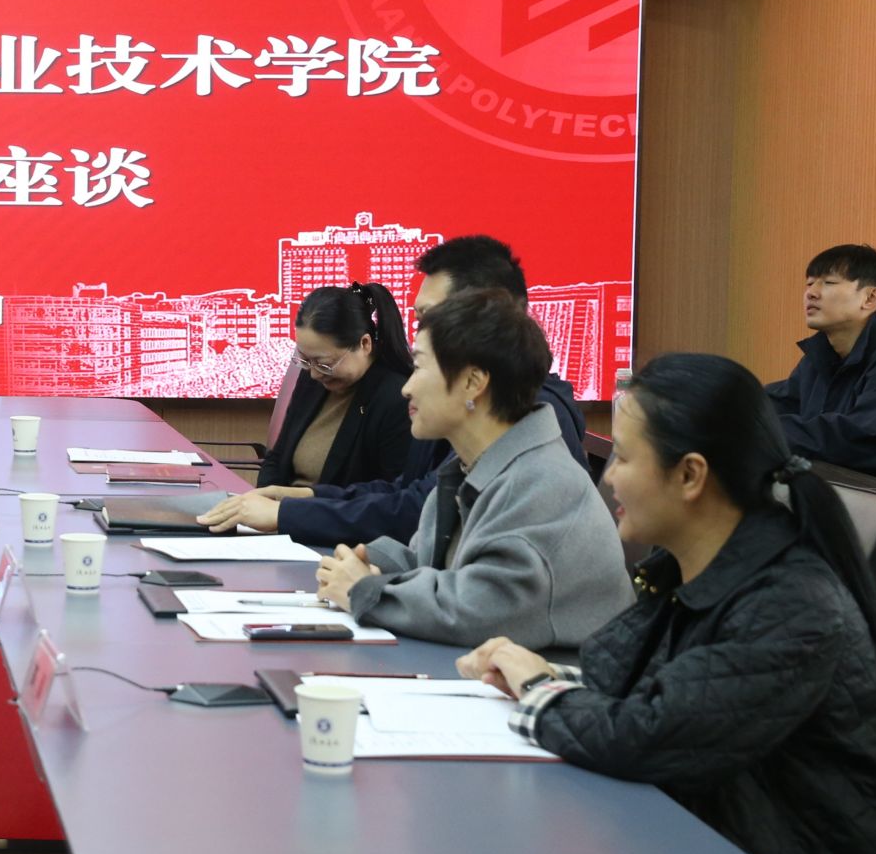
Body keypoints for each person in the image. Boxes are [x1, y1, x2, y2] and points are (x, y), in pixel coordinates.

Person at [460, 354, 876, 854]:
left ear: (690, 475)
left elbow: (648, 734)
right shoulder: (693, 569)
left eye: (625, 458)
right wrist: (550, 681)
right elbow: (647, 693)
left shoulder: (792, 604)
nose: (609, 477)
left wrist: (538, 687)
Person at [204, 236, 585, 544]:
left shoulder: (524, 415)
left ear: (488, 315)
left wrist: (291, 515)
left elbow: (421, 516)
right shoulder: (465, 401)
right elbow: (407, 492)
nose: (408, 388)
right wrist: (304, 497)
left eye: (431, 318)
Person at [315, 287, 632, 647]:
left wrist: (365, 589)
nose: (407, 388)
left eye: (419, 367)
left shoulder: (543, 482)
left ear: (472, 383)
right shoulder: (476, 464)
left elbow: (478, 610)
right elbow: (428, 561)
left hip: (544, 674)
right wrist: (364, 561)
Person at [248, 282, 413, 492]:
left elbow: (391, 495)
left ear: (364, 344)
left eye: (324, 364)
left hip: (332, 512)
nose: (315, 374)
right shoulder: (312, 379)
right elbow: (278, 456)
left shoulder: (395, 399)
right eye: (305, 360)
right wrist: (261, 497)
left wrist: (299, 501)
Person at [765, 243, 876, 475]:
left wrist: (761, 431)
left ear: (871, 298)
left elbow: (863, 436)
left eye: (828, 282)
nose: (811, 293)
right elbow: (776, 404)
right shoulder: (819, 356)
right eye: (809, 283)